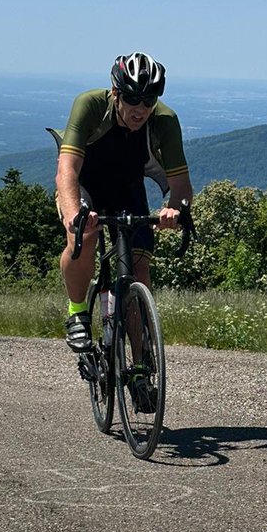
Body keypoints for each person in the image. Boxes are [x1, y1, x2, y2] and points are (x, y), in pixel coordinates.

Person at [48, 52, 193, 353]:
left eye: (148, 100)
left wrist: (174, 209)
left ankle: (142, 366)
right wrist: (74, 214)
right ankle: (77, 314)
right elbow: (67, 170)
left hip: (127, 190)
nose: (140, 109)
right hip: (84, 186)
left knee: (139, 268)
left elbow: (181, 186)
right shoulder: (90, 105)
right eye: (132, 99)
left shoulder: (164, 121)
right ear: (115, 92)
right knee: (83, 234)